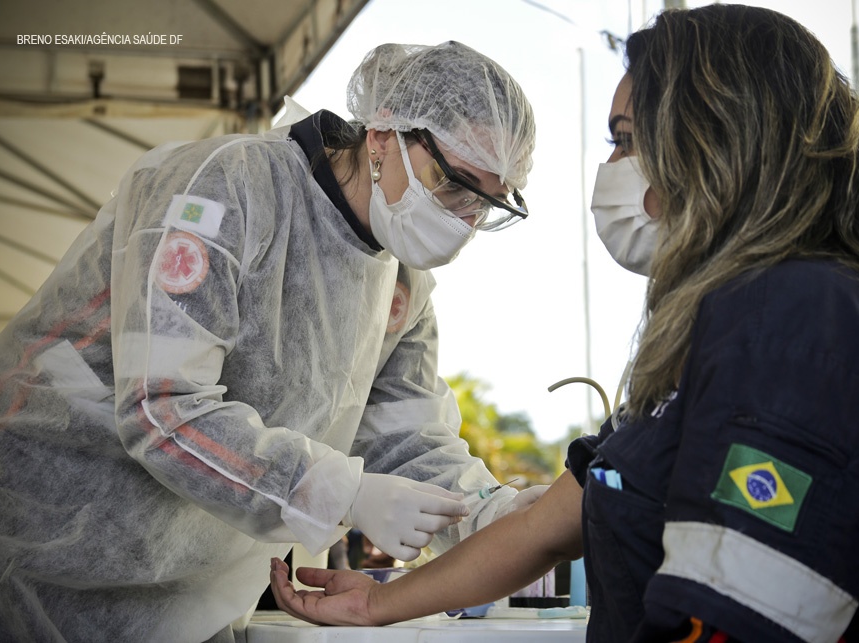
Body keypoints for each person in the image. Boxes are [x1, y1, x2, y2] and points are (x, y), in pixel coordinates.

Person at [268, 6, 859, 642]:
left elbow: (743, 618)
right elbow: (554, 523)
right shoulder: (710, 330)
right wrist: (377, 604)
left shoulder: (793, 315)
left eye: (627, 139)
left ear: (717, 141)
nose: (614, 167)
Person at [0, 40, 541, 642]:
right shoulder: (226, 188)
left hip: (192, 596)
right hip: (43, 547)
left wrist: (492, 512)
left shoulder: (404, 288)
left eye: (484, 205)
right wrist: (344, 492)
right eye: (452, 184)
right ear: (383, 136)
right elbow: (162, 406)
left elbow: (405, 439)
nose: (460, 220)